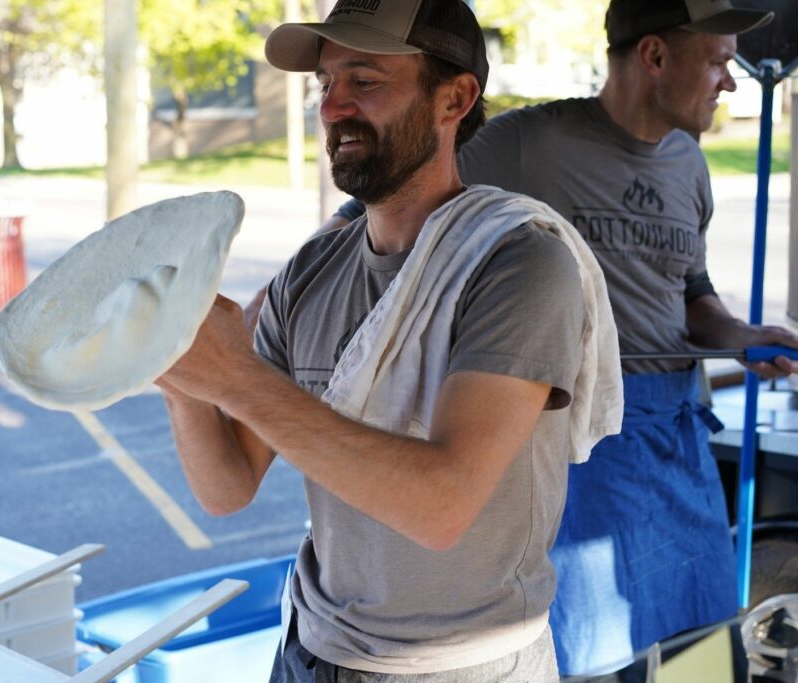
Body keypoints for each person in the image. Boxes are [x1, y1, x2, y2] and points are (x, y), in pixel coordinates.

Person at [294, 0, 798, 678]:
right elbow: (379, 201)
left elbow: (692, 295)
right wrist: (292, 292)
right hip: (576, 447)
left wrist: (740, 335)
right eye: (715, 61)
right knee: (600, 648)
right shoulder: (527, 142)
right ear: (653, 56)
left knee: (698, 639)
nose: (729, 81)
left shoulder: (690, 166)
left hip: (679, 440)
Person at [157, 1, 623, 681]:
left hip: (464, 664)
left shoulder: (519, 265)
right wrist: (181, 372)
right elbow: (227, 485)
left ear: (454, 98)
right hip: (313, 648)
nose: (334, 107)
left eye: (365, 82)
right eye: (325, 84)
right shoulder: (310, 274)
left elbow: (442, 506)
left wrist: (233, 377)